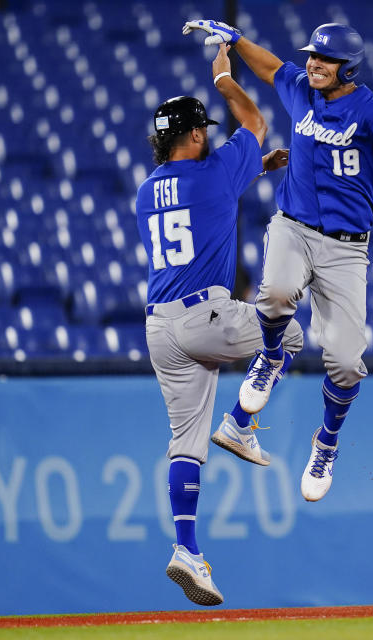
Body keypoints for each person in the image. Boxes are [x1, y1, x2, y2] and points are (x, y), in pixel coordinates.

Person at [182, 20, 373, 502]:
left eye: (324, 60)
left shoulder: (369, 110)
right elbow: (272, 68)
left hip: (345, 249)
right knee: (276, 294)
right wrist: (236, 41)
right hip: (294, 226)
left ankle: (326, 443)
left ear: (349, 68)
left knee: (344, 362)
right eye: (313, 55)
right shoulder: (301, 87)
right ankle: (273, 354)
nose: (313, 64)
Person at [135, 44, 303, 607]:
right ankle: (237, 423)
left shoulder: (143, 193)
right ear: (196, 134)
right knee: (292, 335)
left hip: (160, 327)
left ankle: (187, 550)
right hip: (206, 313)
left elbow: (197, 202)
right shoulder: (212, 172)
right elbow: (255, 121)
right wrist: (226, 78)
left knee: (184, 444)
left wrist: (253, 165)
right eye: (203, 128)